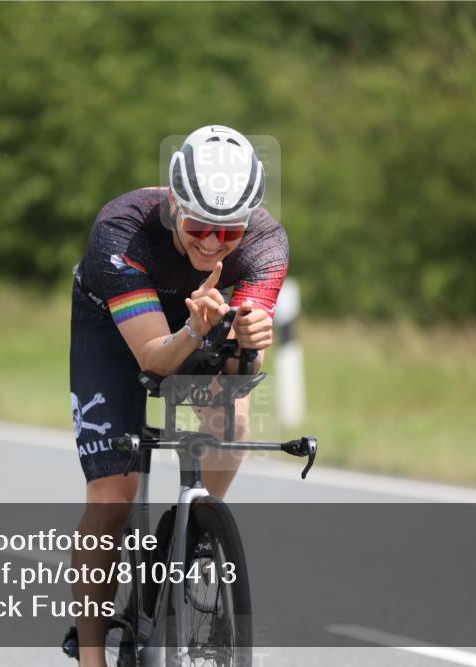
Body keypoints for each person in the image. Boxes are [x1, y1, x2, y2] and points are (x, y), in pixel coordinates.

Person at [68, 124, 288, 665]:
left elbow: (237, 370)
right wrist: (193, 332)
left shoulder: (266, 242)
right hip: (117, 327)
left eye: (228, 233)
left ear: (248, 224)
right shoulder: (121, 228)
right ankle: (93, 653)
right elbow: (152, 360)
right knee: (113, 496)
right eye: (198, 226)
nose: (212, 242)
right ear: (173, 204)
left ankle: (200, 535)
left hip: (201, 319)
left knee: (232, 424)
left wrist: (249, 341)